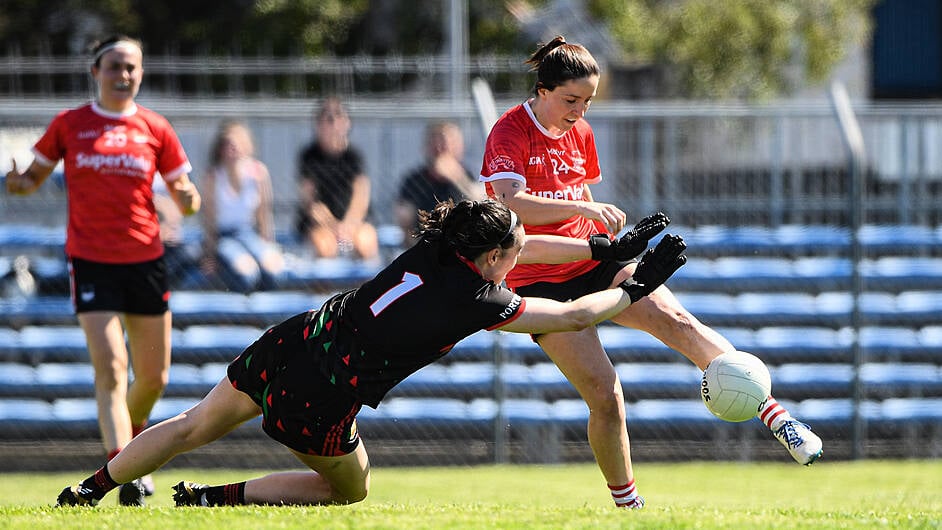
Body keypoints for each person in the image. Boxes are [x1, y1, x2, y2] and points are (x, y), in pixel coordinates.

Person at [55, 198, 685, 508]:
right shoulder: (480, 300)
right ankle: (209, 500)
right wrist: (633, 285)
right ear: (491, 260)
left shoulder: (441, 246)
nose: (524, 257)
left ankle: (89, 489)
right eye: (516, 252)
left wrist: (598, 252)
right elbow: (574, 314)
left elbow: (522, 245)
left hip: (297, 338)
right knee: (349, 492)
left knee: (191, 424)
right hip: (325, 390)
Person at [479, 35, 823, 508]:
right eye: (570, 100)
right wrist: (588, 207)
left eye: (588, 101)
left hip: (596, 258)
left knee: (681, 324)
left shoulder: (581, 133)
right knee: (606, 395)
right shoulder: (509, 131)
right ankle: (629, 507)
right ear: (542, 90)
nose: (580, 111)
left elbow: (574, 202)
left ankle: (776, 415)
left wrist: (596, 229)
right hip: (539, 279)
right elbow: (509, 204)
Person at [5, 35, 202, 506]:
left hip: (146, 262)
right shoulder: (70, 124)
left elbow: (183, 191)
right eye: (115, 66)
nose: (124, 75)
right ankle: (125, 471)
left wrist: (190, 201)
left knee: (154, 377)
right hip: (92, 262)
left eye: (132, 67)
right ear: (95, 71)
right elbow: (31, 179)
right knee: (112, 370)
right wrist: (17, 182)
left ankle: (131, 442)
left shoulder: (155, 127)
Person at [199, 119, 284, 292]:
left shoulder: (258, 173)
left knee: (273, 269)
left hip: (248, 233)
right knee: (247, 274)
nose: (233, 148)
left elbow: (264, 215)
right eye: (228, 144)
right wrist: (209, 255)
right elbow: (209, 220)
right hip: (225, 237)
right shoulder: (214, 177)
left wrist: (268, 243)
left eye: (237, 143)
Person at [295, 97, 379, 260]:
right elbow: (310, 202)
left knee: (365, 245)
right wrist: (334, 227)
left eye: (339, 117)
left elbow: (361, 196)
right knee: (325, 248)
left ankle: (362, 286)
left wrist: (348, 226)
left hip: (353, 222)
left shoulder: (354, 156)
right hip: (320, 224)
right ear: (318, 124)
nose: (334, 124)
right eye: (328, 119)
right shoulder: (309, 157)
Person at [394, 120, 483, 243]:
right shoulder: (415, 179)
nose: (440, 148)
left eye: (446, 143)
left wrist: (457, 177)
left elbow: (481, 204)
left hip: (463, 240)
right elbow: (404, 216)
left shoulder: (470, 174)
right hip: (424, 240)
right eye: (436, 143)